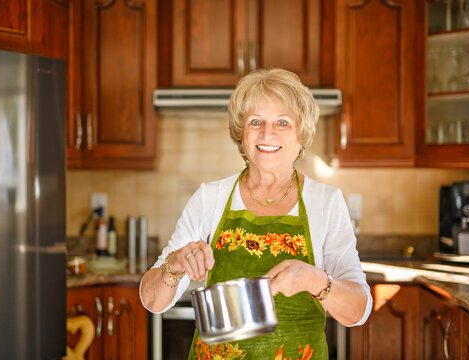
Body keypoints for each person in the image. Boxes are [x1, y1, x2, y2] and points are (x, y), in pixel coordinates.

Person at [140, 68, 372, 359]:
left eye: (283, 122)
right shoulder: (210, 198)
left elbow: (358, 311)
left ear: (302, 135)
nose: (267, 134)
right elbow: (153, 301)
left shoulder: (326, 202)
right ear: (242, 133)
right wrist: (173, 266)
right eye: (255, 122)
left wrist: (313, 280)